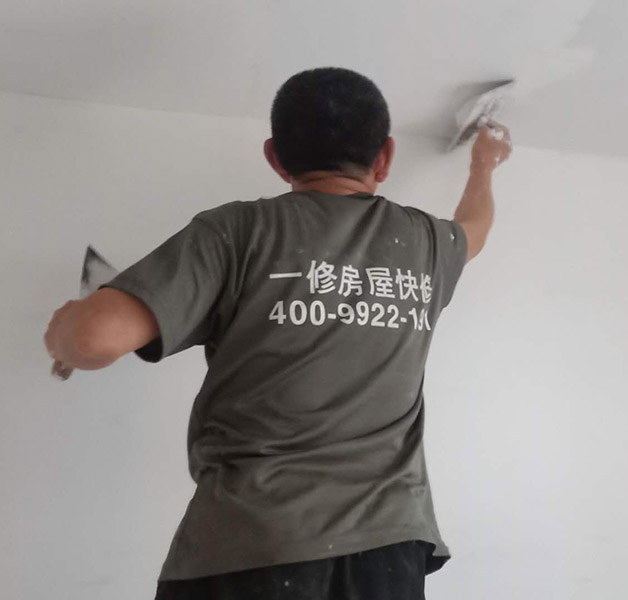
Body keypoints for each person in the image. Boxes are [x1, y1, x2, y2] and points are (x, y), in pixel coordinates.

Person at [44, 67, 511, 599]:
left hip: (250, 546)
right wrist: (485, 162)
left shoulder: (238, 232)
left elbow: (92, 338)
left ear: (275, 158)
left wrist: (66, 331)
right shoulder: (427, 243)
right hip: (388, 556)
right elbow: (476, 228)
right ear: (385, 157)